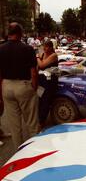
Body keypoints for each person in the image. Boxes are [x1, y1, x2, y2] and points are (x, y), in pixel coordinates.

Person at [0, 22, 39, 151]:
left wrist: (1, 90)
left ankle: (19, 153)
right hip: (23, 85)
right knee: (32, 122)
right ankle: (35, 151)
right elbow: (33, 71)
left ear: (9, 33)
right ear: (21, 33)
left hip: (6, 86)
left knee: (14, 125)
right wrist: (34, 87)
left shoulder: (1, 49)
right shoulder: (27, 49)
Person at [36, 40, 58, 127]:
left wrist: (37, 57)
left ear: (51, 47)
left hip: (50, 81)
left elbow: (42, 65)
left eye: (47, 47)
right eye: (44, 46)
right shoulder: (43, 54)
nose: (45, 48)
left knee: (46, 99)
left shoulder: (54, 55)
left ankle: (42, 121)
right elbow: (38, 66)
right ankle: (40, 118)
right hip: (42, 80)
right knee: (40, 98)